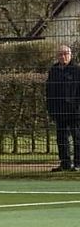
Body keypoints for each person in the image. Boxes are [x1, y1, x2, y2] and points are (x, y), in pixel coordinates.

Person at [45, 44, 80, 172]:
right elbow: (49, 91)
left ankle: (78, 163)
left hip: (75, 111)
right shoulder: (53, 71)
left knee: (77, 137)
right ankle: (65, 163)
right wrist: (51, 109)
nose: (63, 56)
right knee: (61, 138)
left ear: (70, 55)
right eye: (60, 54)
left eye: (66, 54)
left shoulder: (76, 70)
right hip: (59, 110)